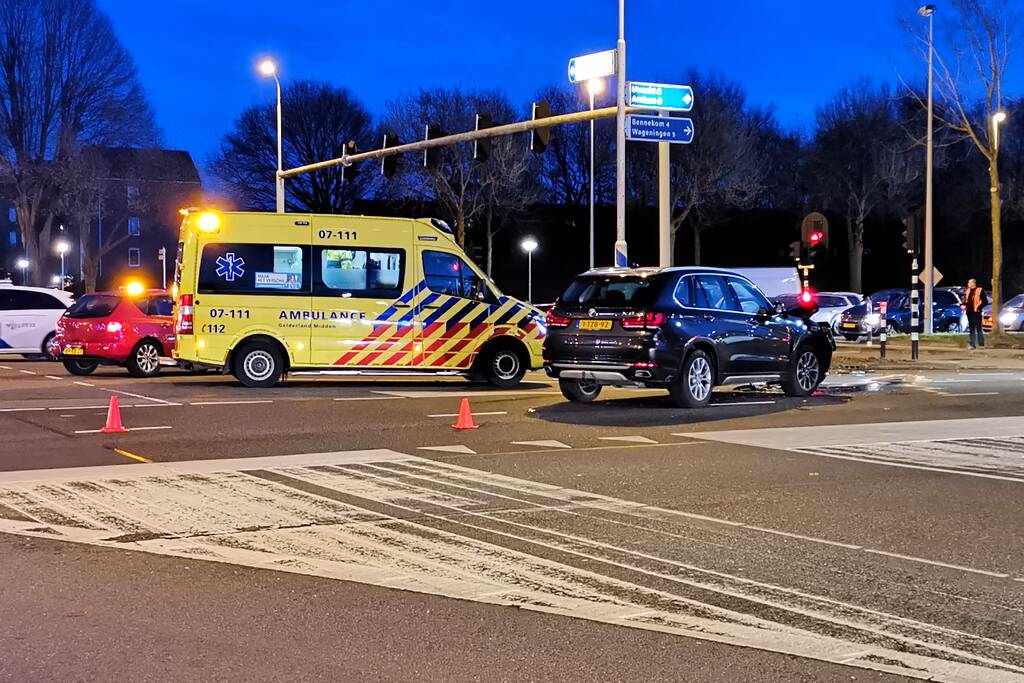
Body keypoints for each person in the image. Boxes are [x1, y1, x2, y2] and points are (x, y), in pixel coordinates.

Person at [964, 278, 988, 349]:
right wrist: (963, 305)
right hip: (969, 312)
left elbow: (985, 301)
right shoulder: (968, 291)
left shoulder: (979, 290)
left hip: (976, 312)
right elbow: (967, 301)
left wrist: (978, 308)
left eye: (969, 283)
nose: (968, 284)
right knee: (971, 328)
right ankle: (972, 344)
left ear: (973, 283)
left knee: (978, 328)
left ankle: (981, 344)